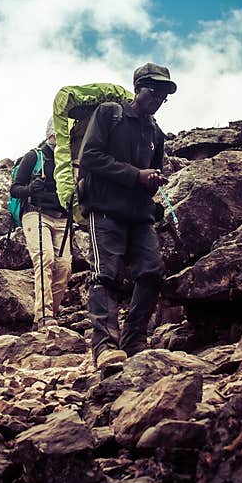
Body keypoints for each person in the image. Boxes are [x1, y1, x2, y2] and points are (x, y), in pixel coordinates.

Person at [78, 63, 175, 372]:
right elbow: (90, 157)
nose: (158, 98)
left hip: (140, 214)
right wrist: (136, 176)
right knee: (105, 274)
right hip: (105, 209)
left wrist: (153, 180)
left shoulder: (155, 132)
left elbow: (153, 169)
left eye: (163, 94)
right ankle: (105, 346)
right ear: (138, 88)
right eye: (153, 91)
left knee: (152, 271)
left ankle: (134, 340)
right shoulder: (110, 113)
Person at [9, 117, 73, 330]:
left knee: (64, 266)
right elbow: (14, 189)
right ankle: (44, 316)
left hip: (62, 217)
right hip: (35, 214)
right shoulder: (33, 156)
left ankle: (49, 315)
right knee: (45, 259)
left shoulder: (70, 160)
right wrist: (30, 189)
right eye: (59, 134)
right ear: (51, 134)